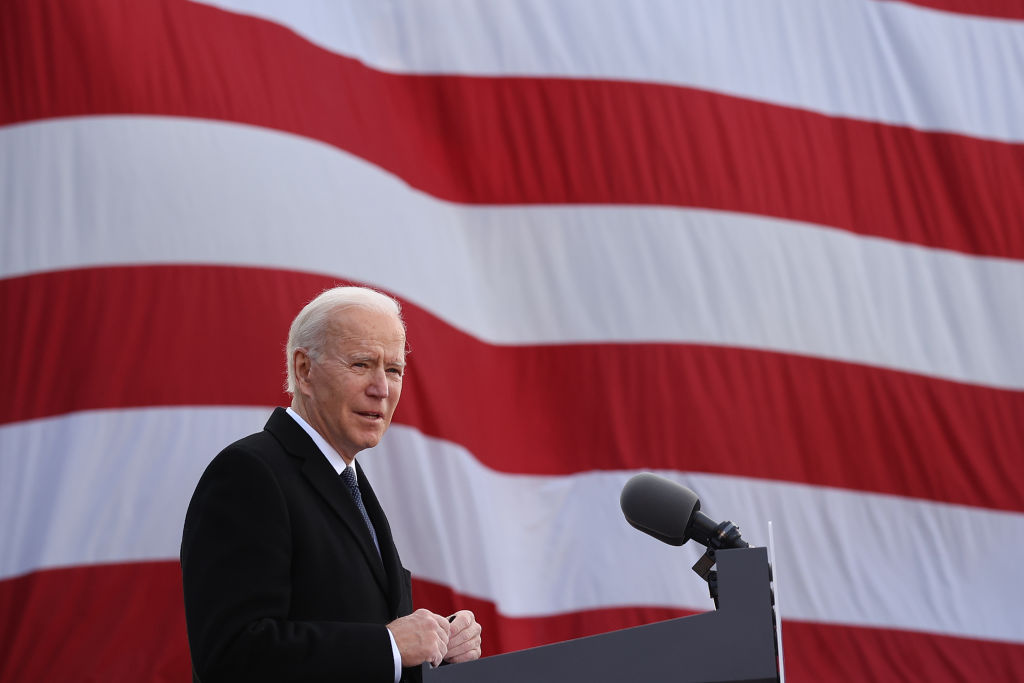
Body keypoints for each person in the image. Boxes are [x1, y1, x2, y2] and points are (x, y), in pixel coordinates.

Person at [181, 286, 482, 682]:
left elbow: (357, 628)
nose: (382, 388)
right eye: (361, 364)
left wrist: (435, 648)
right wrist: (390, 646)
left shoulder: (349, 484)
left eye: (393, 370)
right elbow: (232, 655)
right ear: (304, 370)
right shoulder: (248, 474)